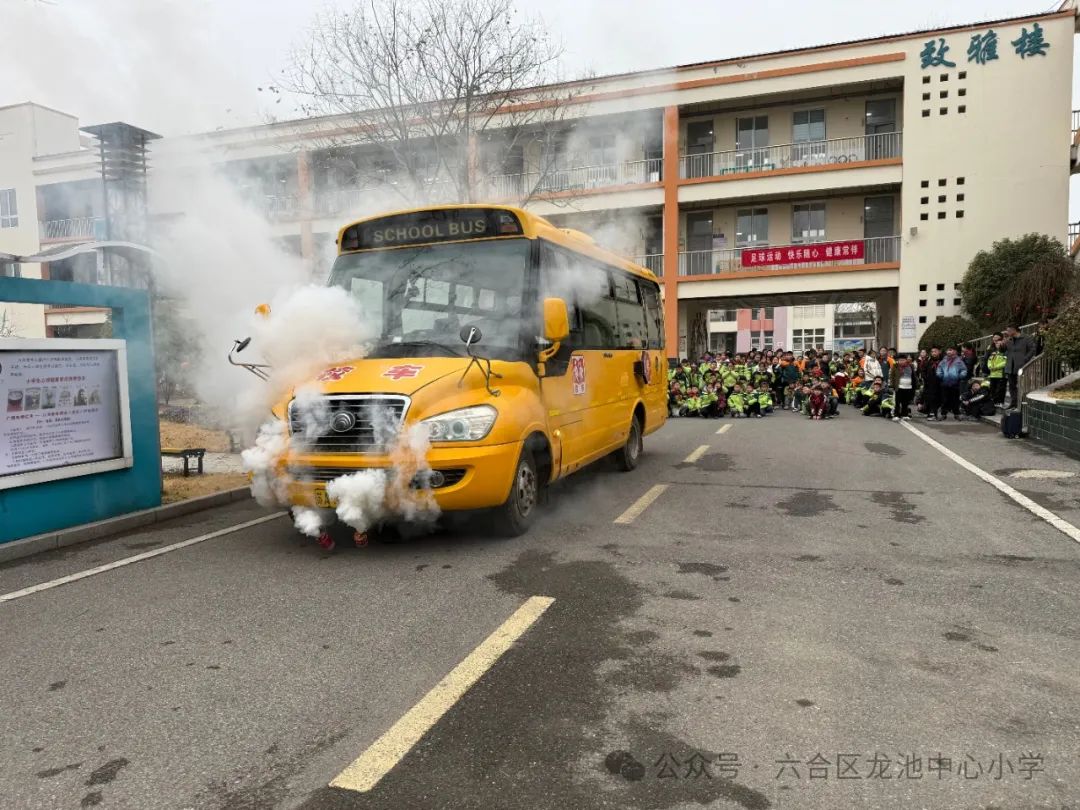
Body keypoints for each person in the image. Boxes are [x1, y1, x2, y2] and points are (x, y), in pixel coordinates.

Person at [1004, 324, 1037, 410]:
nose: (1007, 332)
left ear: (1014, 330)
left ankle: (1022, 402)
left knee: (1022, 385)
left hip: (1022, 366)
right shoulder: (1009, 340)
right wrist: (1002, 345)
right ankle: (1013, 402)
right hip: (1010, 365)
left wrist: (1025, 359)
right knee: (1012, 386)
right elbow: (1004, 350)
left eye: (1008, 330)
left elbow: (1032, 349)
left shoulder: (1026, 338)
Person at [936, 346, 968, 420]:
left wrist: (959, 376)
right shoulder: (943, 361)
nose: (949, 352)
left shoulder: (959, 361)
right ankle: (943, 414)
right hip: (945, 383)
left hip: (955, 383)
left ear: (955, 351)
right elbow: (939, 369)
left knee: (955, 399)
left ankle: (956, 414)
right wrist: (941, 375)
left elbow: (964, 370)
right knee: (944, 399)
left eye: (951, 350)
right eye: (948, 350)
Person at [890, 354, 916, 421]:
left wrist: (915, 385)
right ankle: (896, 415)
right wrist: (892, 385)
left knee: (905, 402)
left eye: (903, 360)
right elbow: (892, 376)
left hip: (908, 387)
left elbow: (913, 376)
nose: (901, 361)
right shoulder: (895, 366)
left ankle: (905, 414)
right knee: (897, 402)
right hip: (899, 387)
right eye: (900, 360)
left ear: (906, 360)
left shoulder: (911, 366)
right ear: (898, 360)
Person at [982, 338, 1007, 406]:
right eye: (996, 343)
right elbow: (989, 360)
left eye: (999, 343)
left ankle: (1000, 402)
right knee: (992, 389)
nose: (997, 344)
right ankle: (993, 401)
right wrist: (990, 367)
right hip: (992, 374)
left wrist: (995, 367)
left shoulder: (1004, 353)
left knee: (1000, 389)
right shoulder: (993, 353)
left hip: (1000, 374)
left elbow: (1004, 362)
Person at [920, 346, 943, 420]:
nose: (933, 353)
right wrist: (925, 378)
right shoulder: (928, 361)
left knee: (939, 398)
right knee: (930, 398)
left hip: (940, 383)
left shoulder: (943, 361)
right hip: (929, 383)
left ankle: (936, 413)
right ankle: (931, 413)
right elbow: (923, 371)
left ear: (939, 351)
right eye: (932, 352)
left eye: (935, 351)